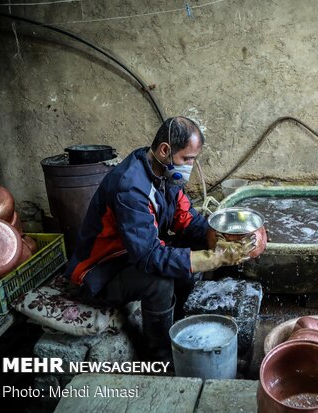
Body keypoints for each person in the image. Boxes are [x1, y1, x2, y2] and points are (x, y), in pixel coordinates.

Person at [64, 116, 255, 361]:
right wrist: (214, 257)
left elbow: (188, 221)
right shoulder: (131, 188)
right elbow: (149, 257)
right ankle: (161, 356)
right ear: (165, 150)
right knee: (160, 281)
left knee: (193, 245)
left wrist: (218, 239)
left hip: (132, 257)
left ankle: (180, 323)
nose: (190, 166)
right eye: (187, 159)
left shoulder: (166, 176)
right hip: (102, 272)